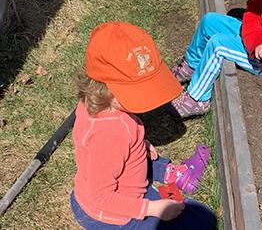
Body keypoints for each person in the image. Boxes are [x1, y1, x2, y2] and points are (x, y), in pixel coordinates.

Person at [70, 21, 216, 229]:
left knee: (192, 212)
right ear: (104, 86)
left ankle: (172, 174)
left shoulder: (102, 107)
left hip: (115, 182)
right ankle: (172, 178)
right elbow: (101, 196)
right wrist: (152, 209)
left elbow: (116, 149)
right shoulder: (110, 133)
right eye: (137, 89)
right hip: (112, 216)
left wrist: (141, 144)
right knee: (202, 221)